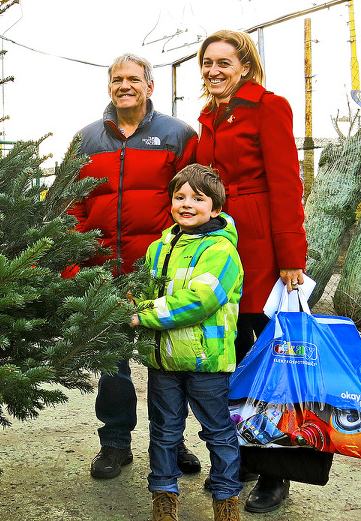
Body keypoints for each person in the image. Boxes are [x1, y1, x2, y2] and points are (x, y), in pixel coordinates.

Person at [68, 53, 198, 480]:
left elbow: (194, 200)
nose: (125, 85)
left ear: (149, 86)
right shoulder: (87, 139)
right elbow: (70, 206)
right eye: (117, 79)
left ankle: (172, 441)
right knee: (112, 362)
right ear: (110, 87)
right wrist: (75, 262)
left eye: (133, 79)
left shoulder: (177, 135)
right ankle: (115, 443)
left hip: (159, 270)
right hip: (103, 268)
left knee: (167, 360)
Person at [195, 30, 307, 513]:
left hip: (262, 247)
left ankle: (276, 473)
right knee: (233, 355)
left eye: (224, 62)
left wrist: (291, 259)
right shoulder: (208, 116)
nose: (213, 70)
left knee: (269, 363)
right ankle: (239, 458)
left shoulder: (269, 107)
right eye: (207, 63)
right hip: (222, 244)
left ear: (245, 66)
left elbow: (286, 185)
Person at [130, 163, 244, 521]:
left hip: (205, 362)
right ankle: (164, 496)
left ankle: (225, 499)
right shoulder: (158, 247)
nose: (187, 204)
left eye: (198, 198)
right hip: (163, 361)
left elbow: (200, 301)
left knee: (219, 432)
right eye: (179, 197)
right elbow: (147, 292)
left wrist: (142, 314)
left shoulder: (222, 251)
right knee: (164, 433)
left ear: (216, 209)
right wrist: (129, 303)